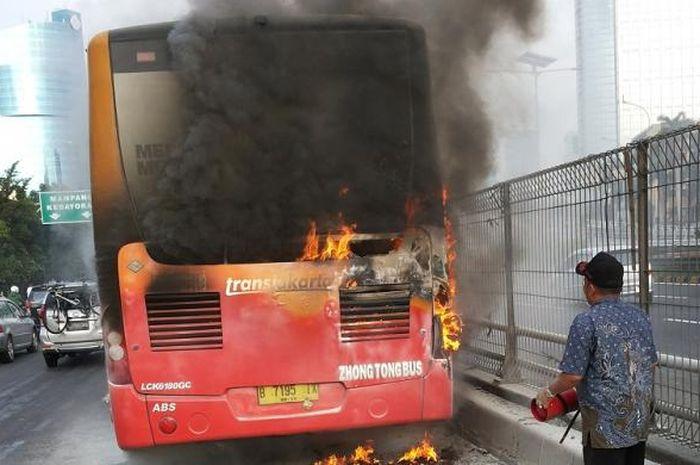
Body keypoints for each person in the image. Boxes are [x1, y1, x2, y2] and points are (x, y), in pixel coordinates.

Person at [536, 251, 657, 465]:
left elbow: (572, 376)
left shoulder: (586, 321)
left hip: (604, 431)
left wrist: (548, 393)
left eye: (585, 281)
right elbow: (651, 364)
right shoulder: (640, 317)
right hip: (638, 422)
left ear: (590, 287)